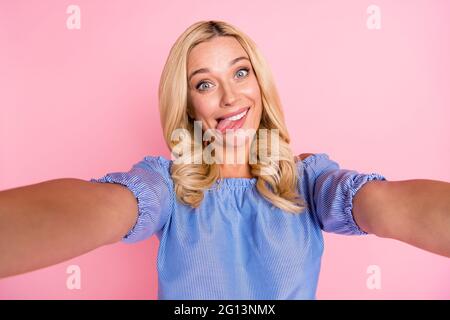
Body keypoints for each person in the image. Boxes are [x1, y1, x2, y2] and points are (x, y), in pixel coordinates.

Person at [0, 20, 449, 299]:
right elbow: (102, 207)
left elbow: (386, 204)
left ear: (260, 83)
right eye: (205, 83)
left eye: (240, 72)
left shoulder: (310, 181)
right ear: (188, 103)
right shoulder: (166, 186)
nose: (231, 96)